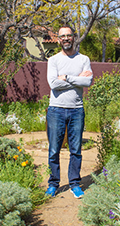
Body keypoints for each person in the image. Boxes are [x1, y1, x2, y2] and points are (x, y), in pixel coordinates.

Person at [45, 25, 93, 199]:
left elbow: (88, 82)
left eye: (69, 35)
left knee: (76, 150)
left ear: (74, 37)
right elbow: (53, 84)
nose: (66, 38)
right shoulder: (53, 60)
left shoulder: (84, 59)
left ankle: (74, 183)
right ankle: (53, 183)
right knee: (53, 150)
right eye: (62, 36)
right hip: (56, 109)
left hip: (76, 110)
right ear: (58, 40)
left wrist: (66, 77)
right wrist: (77, 79)